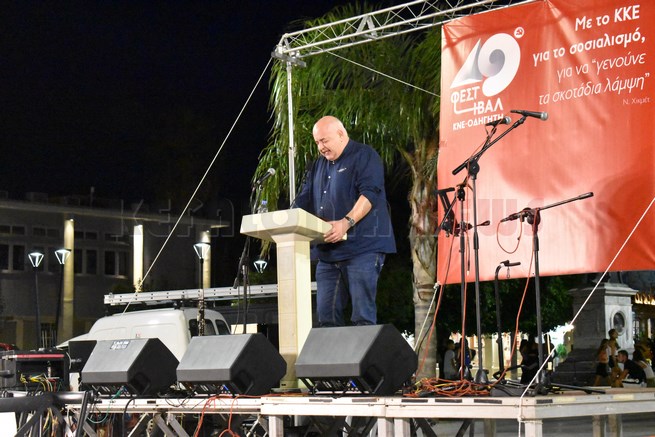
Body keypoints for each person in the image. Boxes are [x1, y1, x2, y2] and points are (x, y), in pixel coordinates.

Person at [293, 116, 396, 326]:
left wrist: (346, 222)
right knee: (326, 320)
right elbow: (303, 199)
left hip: (363, 249)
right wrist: (287, 220)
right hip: (328, 253)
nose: (321, 147)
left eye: (324, 140)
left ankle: (367, 350)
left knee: (362, 318)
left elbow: (370, 194)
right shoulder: (317, 165)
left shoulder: (364, 155)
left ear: (341, 134)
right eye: (317, 142)